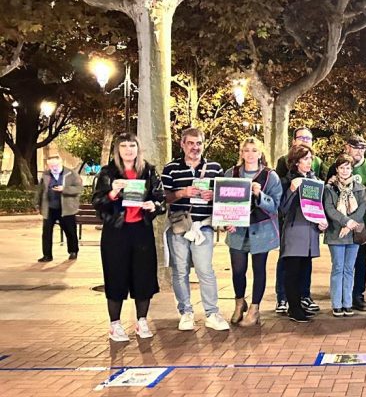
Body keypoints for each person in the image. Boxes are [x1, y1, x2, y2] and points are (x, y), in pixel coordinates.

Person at [93, 133, 165, 342]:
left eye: (132, 145)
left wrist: (154, 205)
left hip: (141, 231)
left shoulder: (148, 171)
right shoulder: (108, 172)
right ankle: (115, 324)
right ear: (118, 150)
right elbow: (97, 202)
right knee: (115, 276)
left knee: (143, 277)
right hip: (116, 232)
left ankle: (141, 321)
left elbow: (161, 199)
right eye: (123, 146)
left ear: (138, 148)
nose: (128, 150)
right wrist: (112, 192)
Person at [162, 127, 228, 332]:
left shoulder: (215, 168)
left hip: (203, 226)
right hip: (179, 226)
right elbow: (163, 198)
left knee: (205, 270)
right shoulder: (171, 168)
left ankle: (212, 313)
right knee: (180, 270)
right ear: (182, 144)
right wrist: (182, 193)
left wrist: (213, 195)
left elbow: (225, 197)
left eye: (198, 143)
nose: (195, 147)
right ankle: (186, 312)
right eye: (190, 143)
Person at [224, 138, 282, 327]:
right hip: (237, 230)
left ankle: (255, 308)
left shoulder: (270, 176)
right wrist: (227, 221)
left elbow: (275, 205)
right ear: (241, 153)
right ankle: (239, 302)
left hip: (261, 229)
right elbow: (222, 202)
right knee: (238, 270)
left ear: (260, 153)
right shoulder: (231, 174)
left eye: (254, 150)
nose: (250, 154)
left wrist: (260, 195)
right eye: (246, 150)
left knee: (259, 269)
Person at [279, 144, 328, 322]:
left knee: (304, 271)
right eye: (305, 159)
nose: (309, 162)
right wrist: (292, 190)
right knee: (292, 271)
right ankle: (293, 308)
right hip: (294, 231)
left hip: (310, 232)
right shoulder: (286, 181)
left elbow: (319, 206)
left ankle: (300, 305)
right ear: (296, 162)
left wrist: (323, 221)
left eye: (310, 159)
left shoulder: (315, 181)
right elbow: (282, 209)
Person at [323, 153, 366, 317]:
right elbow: (330, 209)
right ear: (337, 169)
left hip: (354, 233)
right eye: (341, 167)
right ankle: (337, 304)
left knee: (349, 269)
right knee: (338, 268)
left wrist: (350, 225)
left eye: (347, 167)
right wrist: (345, 222)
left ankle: (347, 303)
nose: (344, 171)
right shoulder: (329, 189)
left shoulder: (360, 188)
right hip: (336, 233)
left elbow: (362, 209)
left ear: (351, 169)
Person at [347, 135, 366, 312]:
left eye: (363, 148)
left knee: (360, 261)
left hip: (363, 223)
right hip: (343, 222)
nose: (359, 151)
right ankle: (343, 295)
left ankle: (358, 294)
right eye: (356, 147)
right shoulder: (340, 165)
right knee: (342, 261)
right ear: (347, 147)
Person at [36, 152, 82, 262]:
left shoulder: (71, 173)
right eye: (51, 166)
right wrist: (38, 204)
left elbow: (79, 189)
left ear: (61, 163)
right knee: (46, 232)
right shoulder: (46, 175)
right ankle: (47, 255)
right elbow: (40, 190)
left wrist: (64, 189)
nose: (54, 168)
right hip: (50, 208)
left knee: (70, 231)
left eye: (56, 165)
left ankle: (73, 251)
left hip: (66, 208)